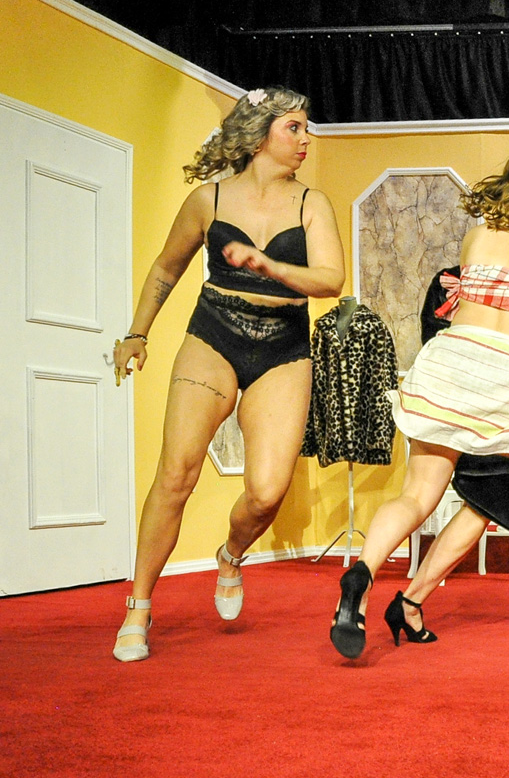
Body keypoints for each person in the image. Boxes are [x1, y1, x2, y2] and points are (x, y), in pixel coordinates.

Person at [329, 144, 509, 659]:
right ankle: (412, 599)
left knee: (416, 496)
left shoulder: (478, 236)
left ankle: (361, 574)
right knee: (487, 501)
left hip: (448, 363)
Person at [111, 87, 345, 662]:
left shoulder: (312, 203)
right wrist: (137, 334)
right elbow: (166, 268)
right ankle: (138, 607)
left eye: (306, 128)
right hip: (214, 333)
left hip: (283, 345)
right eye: (294, 127)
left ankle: (231, 555)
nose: (306, 139)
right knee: (176, 474)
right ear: (260, 133)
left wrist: (269, 264)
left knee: (266, 493)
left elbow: (330, 280)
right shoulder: (208, 199)